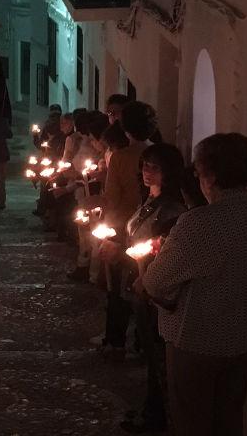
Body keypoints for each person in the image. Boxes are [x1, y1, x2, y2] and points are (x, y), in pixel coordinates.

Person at [141, 133, 247, 436]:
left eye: (199, 171)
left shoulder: (201, 222)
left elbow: (155, 280)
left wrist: (154, 260)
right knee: (230, 417)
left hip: (200, 339)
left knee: (192, 420)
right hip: (246, 337)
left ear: (211, 176)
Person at [118, 144, 188, 434]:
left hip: (155, 291)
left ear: (169, 171)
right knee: (149, 352)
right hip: (140, 285)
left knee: (159, 358)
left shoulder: (173, 210)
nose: (147, 171)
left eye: (155, 167)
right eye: (145, 165)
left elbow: (166, 252)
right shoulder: (149, 201)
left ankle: (157, 417)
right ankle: (151, 410)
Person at [90, 101, 158, 356]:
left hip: (123, 228)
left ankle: (115, 341)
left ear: (125, 128)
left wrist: (101, 224)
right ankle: (143, 343)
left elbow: (112, 198)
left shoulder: (120, 157)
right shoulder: (161, 153)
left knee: (117, 286)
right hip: (152, 230)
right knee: (146, 285)